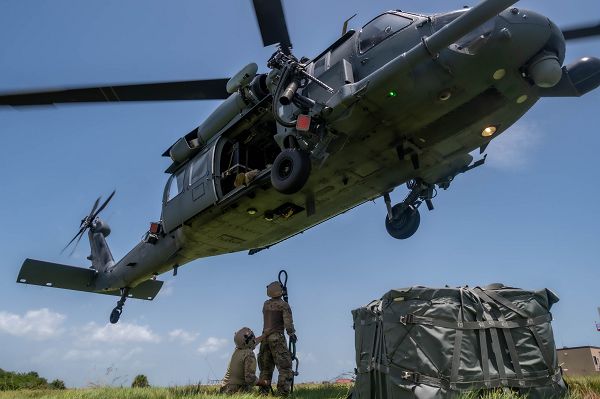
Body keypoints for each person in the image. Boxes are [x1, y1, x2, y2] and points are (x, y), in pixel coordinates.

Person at [258, 281, 297, 396]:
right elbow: (288, 324)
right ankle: (282, 394)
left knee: (265, 369)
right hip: (277, 338)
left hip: (264, 338)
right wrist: (292, 334)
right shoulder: (283, 305)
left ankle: (262, 394)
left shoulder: (265, 304)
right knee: (285, 368)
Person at [220, 327, 269, 394]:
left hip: (225, 389)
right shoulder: (249, 354)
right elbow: (250, 379)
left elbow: (251, 343)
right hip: (234, 390)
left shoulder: (238, 350)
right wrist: (264, 383)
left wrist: (264, 336)